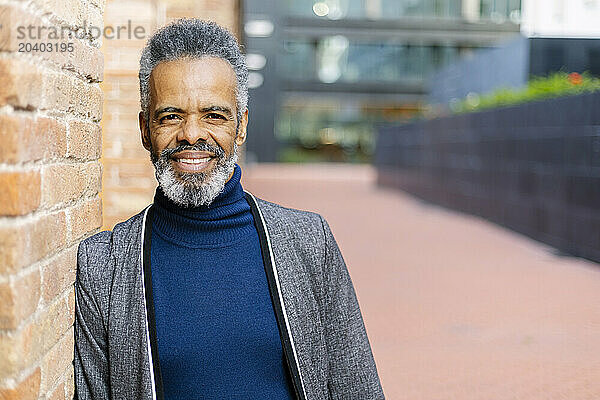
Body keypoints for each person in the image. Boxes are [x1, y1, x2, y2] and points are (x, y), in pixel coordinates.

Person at [74, 18, 384, 400]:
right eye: (170, 116)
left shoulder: (308, 242)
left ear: (241, 126)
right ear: (144, 129)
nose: (191, 134)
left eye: (214, 115)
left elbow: (358, 389)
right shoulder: (103, 266)